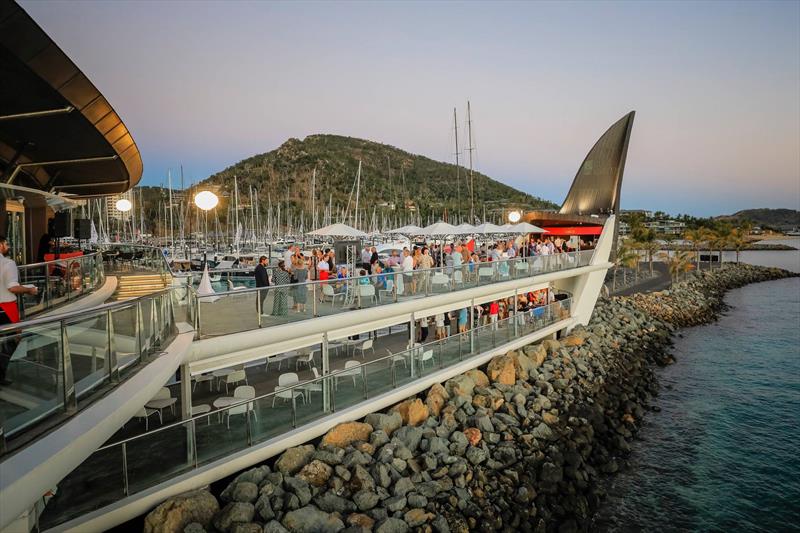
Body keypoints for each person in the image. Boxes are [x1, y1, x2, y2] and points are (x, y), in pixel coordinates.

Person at [0, 235, 38, 383]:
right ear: (1, 245)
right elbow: (12, 287)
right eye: (6, 244)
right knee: (14, 338)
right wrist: (30, 290)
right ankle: (1, 374)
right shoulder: (8, 263)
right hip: (5, 307)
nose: (8, 247)